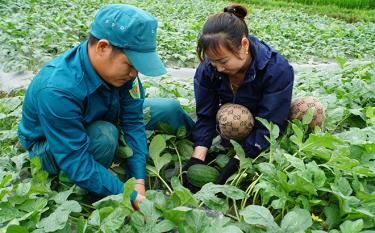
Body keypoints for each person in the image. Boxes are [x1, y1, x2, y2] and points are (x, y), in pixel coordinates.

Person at [17, 4, 193, 209]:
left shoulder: (124, 74)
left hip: (103, 114)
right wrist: (129, 197)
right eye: (131, 65)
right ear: (102, 47)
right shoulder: (57, 89)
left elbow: (134, 120)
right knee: (104, 135)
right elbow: (75, 159)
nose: (135, 74)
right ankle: (88, 190)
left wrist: (138, 179)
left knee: (169, 108)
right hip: (50, 145)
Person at [183, 4, 294, 187]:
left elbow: (271, 123)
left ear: (244, 45)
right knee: (234, 119)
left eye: (223, 61)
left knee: (311, 108)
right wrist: (197, 158)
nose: (218, 68)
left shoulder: (277, 69)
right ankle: (234, 145)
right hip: (236, 123)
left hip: (267, 122)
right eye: (213, 61)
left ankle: (280, 149)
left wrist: (237, 160)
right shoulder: (208, 69)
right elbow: (205, 115)